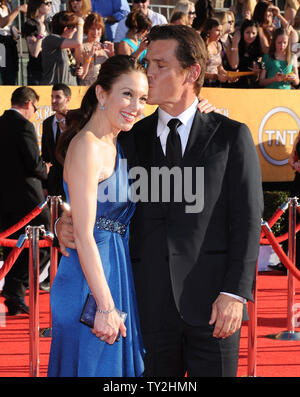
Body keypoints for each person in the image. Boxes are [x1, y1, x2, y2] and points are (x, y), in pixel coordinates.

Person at [56, 24, 263, 377]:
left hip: (214, 306)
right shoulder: (128, 137)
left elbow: (247, 220)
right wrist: (65, 221)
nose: (148, 73)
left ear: (192, 72)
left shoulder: (230, 136)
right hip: (142, 306)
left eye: (160, 65)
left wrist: (236, 292)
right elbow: (99, 194)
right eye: (147, 63)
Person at [47, 55, 148, 377]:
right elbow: (85, 232)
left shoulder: (116, 143)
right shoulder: (88, 146)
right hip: (90, 281)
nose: (136, 105)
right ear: (102, 94)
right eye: (127, 94)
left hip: (113, 270)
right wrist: (105, 307)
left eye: (143, 97)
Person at [0, 87, 51, 315]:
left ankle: (14, 292)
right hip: (28, 200)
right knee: (45, 240)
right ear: (29, 104)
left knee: (14, 244)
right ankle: (15, 286)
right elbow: (34, 164)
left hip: (4, 200)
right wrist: (46, 169)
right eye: (35, 107)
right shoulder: (24, 126)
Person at [42, 83, 71, 201]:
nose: (53, 100)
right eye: (52, 96)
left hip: (71, 182)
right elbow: (45, 155)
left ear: (68, 100)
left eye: (58, 97)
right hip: (53, 185)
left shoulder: (76, 122)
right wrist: (44, 185)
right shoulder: (47, 123)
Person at [41, 11, 83, 85]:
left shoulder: (66, 45)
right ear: (65, 29)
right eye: (74, 27)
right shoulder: (51, 39)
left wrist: (77, 70)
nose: (75, 30)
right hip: (54, 90)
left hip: (69, 90)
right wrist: (80, 24)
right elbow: (78, 43)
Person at [76, 12, 114, 86]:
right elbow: (80, 75)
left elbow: (113, 71)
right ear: (87, 28)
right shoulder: (81, 46)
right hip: (87, 88)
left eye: (98, 29)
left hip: (103, 88)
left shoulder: (104, 46)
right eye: (92, 29)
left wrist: (112, 55)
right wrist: (90, 55)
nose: (95, 32)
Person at [22, 0, 52, 85]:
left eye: (50, 3)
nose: (49, 5)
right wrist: (41, 34)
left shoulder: (48, 24)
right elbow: (34, 52)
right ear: (37, 5)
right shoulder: (29, 24)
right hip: (36, 70)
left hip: (49, 68)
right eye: (46, 3)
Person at [228, 19, 263, 88]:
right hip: (235, 83)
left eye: (253, 33)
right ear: (242, 32)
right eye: (247, 32)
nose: (250, 36)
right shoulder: (236, 44)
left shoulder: (258, 47)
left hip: (251, 85)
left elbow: (261, 63)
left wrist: (258, 70)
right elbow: (234, 65)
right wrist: (235, 43)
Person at [0, 0, 27, 84]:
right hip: (1, 43)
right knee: (6, 72)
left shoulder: (8, 4)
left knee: (13, 72)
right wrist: (18, 9)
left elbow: (7, 24)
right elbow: (2, 23)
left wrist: (13, 29)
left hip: (9, 40)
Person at [201, 18, 229, 87]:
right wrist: (215, 76)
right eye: (217, 30)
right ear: (208, 30)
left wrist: (229, 75)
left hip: (216, 84)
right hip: (203, 85)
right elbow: (198, 72)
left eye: (221, 31)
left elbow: (219, 67)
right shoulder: (201, 46)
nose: (220, 34)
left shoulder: (218, 45)